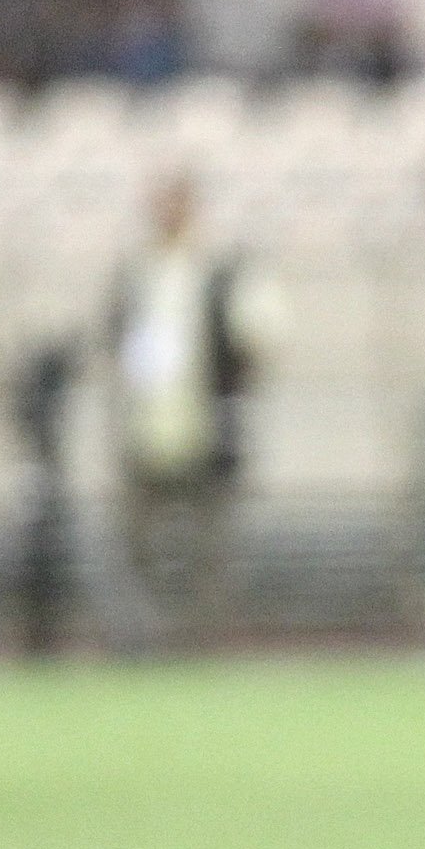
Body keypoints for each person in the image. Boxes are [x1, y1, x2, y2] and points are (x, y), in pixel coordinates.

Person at [107, 172, 275, 646]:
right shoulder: (136, 271)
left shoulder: (220, 269)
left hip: (206, 424)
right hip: (147, 426)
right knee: (138, 543)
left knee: (210, 545)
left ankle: (206, 640)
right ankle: (145, 641)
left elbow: (258, 338)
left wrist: (237, 393)